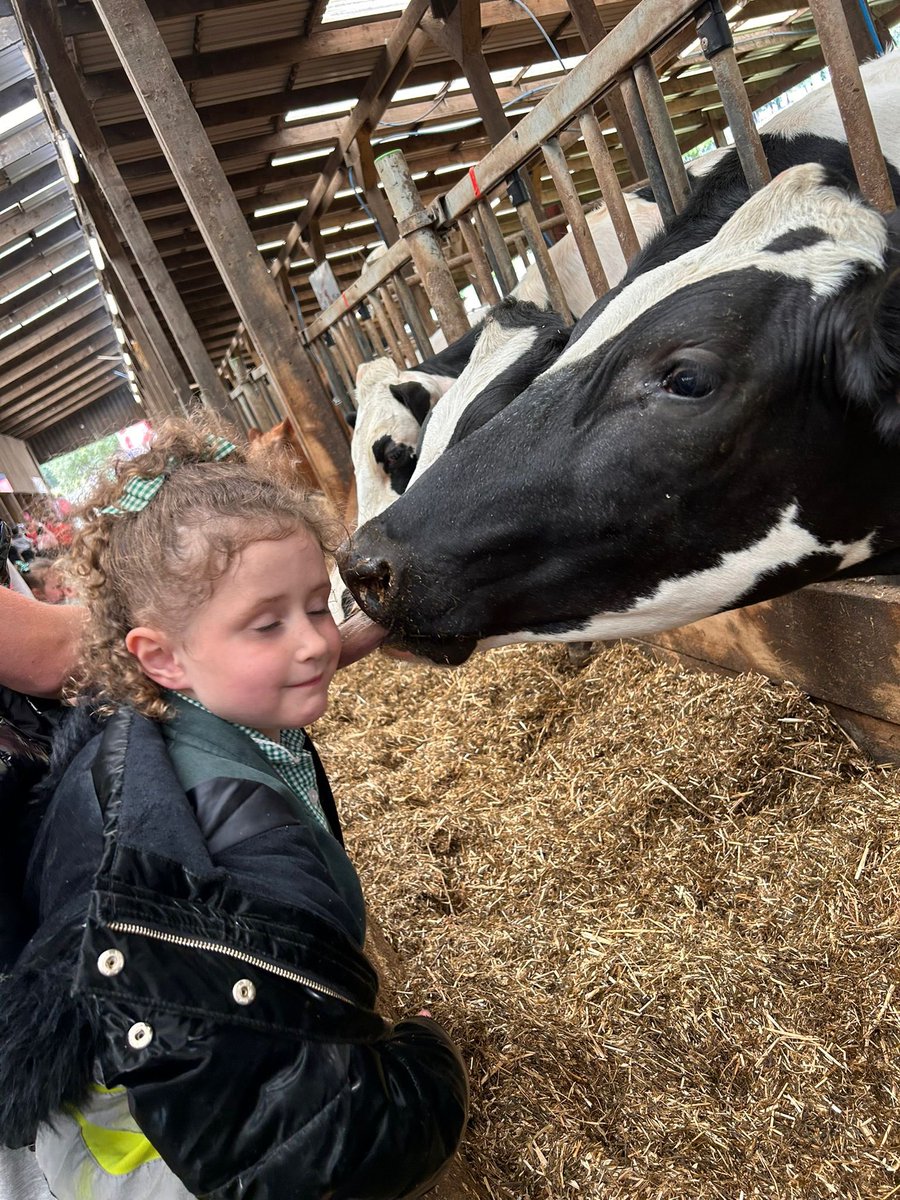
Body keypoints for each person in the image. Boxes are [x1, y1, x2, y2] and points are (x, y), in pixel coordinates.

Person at [0, 416, 466, 1200]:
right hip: (158, 1157)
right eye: (267, 623)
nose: (316, 643)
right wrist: (427, 1062)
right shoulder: (233, 850)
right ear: (161, 657)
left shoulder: (150, 732)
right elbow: (306, 1145)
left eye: (318, 604)